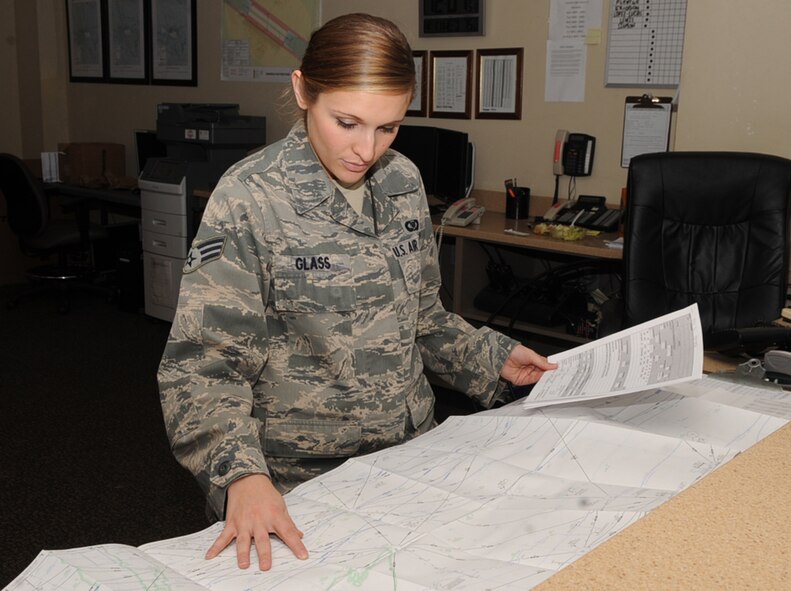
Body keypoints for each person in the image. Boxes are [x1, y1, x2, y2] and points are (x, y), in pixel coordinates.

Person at [158, 12, 557, 572]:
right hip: (298, 483)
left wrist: (493, 358)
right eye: (347, 122)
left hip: (411, 460)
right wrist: (241, 476)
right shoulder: (250, 196)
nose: (366, 149)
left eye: (388, 128)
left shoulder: (402, 181)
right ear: (303, 91)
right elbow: (202, 366)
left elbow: (423, 319)